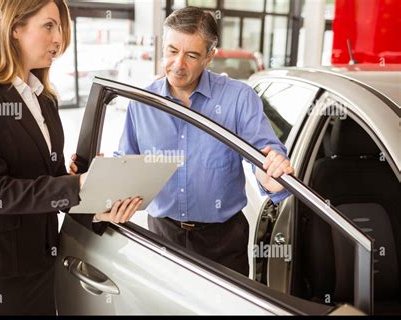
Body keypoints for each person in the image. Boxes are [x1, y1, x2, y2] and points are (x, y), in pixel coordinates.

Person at [0, 0, 141, 315]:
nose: (59, 40)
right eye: (49, 25)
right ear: (14, 27)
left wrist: (96, 198)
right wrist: (77, 185)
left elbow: (49, 180)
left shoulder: (44, 98)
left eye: (62, 28)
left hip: (41, 255)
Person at [115, 7, 294, 276]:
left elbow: (265, 154)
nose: (178, 64)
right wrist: (101, 178)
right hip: (162, 235)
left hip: (223, 242)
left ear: (210, 56)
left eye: (191, 55)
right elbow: (125, 165)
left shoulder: (238, 99)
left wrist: (271, 173)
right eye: (172, 51)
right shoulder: (142, 102)